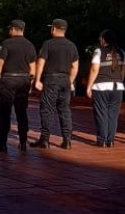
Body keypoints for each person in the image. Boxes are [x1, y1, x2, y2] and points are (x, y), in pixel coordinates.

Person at [0, 20, 36, 153]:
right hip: (24, 80)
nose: (9, 31)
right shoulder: (30, 45)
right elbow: (33, 67)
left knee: (4, 112)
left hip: (8, 79)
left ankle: (2, 143)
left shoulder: (6, 43)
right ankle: (23, 141)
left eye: (10, 29)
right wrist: (30, 83)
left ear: (14, 29)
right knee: (21, 112)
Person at [31, 19, 79, 150]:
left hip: (51, 79)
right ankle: (67, 140)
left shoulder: (48, 44)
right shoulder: (72, 46)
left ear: (54, 28)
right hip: (65, 81)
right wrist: (71, 80)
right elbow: (75, 66)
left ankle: (45, 139)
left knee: (47, 108)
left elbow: (40, 62)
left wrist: (37, 80)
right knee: (64, 109)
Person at [86, 29, 125, 148]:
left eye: (100, 37)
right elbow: (122, 72)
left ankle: (101, 140)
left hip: (101, 86)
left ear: (103, 39)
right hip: (117, 87)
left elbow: (94, 69)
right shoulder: (122, 53)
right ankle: (111, 140)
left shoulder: (99, 51)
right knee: (113, 115)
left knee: (101, 113)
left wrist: (89, 86)